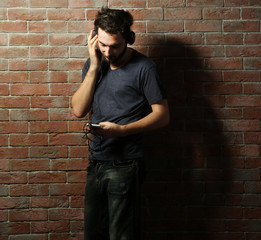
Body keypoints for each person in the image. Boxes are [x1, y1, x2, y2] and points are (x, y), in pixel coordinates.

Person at [71, 7, 169, 240]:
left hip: (126, 164)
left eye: (114, 45)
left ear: (129, 39)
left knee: (120, 235)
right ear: (94, 38)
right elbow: (78, 109)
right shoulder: (94, 63)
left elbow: (163, 115)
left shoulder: (145, 68)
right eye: (102, 44)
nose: (107, 51)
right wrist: (94, 66)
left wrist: (122, 130)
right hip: (96, 163)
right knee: (93, 234)